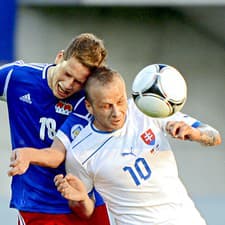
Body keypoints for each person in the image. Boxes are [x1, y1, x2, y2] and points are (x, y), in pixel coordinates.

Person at [9, 66, 222, 225]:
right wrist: (81, 198)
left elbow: (214, 136)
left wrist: (196, 134)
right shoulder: (81, 152)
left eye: (120, 101)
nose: (117, 112)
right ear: (89, 107)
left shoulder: (147, 110)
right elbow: (87, 211)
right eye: (106, 106)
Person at [1, 33, 110, 225]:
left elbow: (56, 155)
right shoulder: (17, 77)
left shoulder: (87, 102)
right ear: (60, 57)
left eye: (79, 82)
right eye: (67, 74)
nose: (69, 85)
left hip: (83, 202)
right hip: (37, 205)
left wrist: (27, 154)